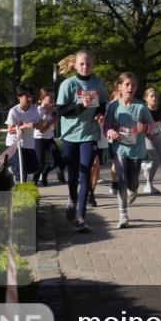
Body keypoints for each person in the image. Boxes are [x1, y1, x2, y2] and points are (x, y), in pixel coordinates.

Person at [56, 51, 109, 233]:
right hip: (71, 135)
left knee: (85, 171)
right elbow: (61, 111)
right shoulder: (68, 84)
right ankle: (72, 198)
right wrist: (81, 106)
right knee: (73, 172)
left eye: (88, 64)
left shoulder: (98, 83)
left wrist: (100, 114)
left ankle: (81, 217)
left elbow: (103, 103)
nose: (85, 67)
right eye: (82, 64)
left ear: (92, 65)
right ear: (75, 65)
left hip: (90, 134)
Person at [105, 72, 154, 230]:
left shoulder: (141, 106)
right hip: (120, 149)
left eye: (133, 85)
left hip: (137, 150)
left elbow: (152, 125)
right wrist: (110, 132)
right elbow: (107, 125)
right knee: (122, 179)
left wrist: (145, 127)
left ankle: (134, 189)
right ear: (119, 87)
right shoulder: (114, 106)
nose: (130, 88)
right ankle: (123, 215)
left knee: (132, 183)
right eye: (127, 84)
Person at [5, 84, 50, 183]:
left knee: (35, 167)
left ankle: (12, 169)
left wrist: (46, 115)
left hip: (28, 144)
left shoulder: (34, 109)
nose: (30, 98)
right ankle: (21, 192)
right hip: (14, 145)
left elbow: (40, 127)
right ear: (19, 97)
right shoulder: (14, 111)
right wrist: (24, 126)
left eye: (31, 96)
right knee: (22, 171)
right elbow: (10, 130)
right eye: (27, 96)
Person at [140, 87, 161, 195]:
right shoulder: (144, 110)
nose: (154, 98)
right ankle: (149, 184)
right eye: (152, 96)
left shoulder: (160, 108)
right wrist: (148, 135)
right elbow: (141, 126)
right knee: (156, 161)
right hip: (146, 137)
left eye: (156, 96)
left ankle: (147, 167)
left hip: (157, 136)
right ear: (146, 99)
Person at [35, 87, 65, 186]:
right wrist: (47, 114)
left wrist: (56, 117)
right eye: (50, 97)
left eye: (53, 97)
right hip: (39, 138)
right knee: (40, 164)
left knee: (57, 159)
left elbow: (52, 128)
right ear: (42, 98)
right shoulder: (38, 110)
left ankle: (45, 173)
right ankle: (34, 182)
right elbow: (41, 128)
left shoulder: (53, 110)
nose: (52, 99)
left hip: (49, 138)